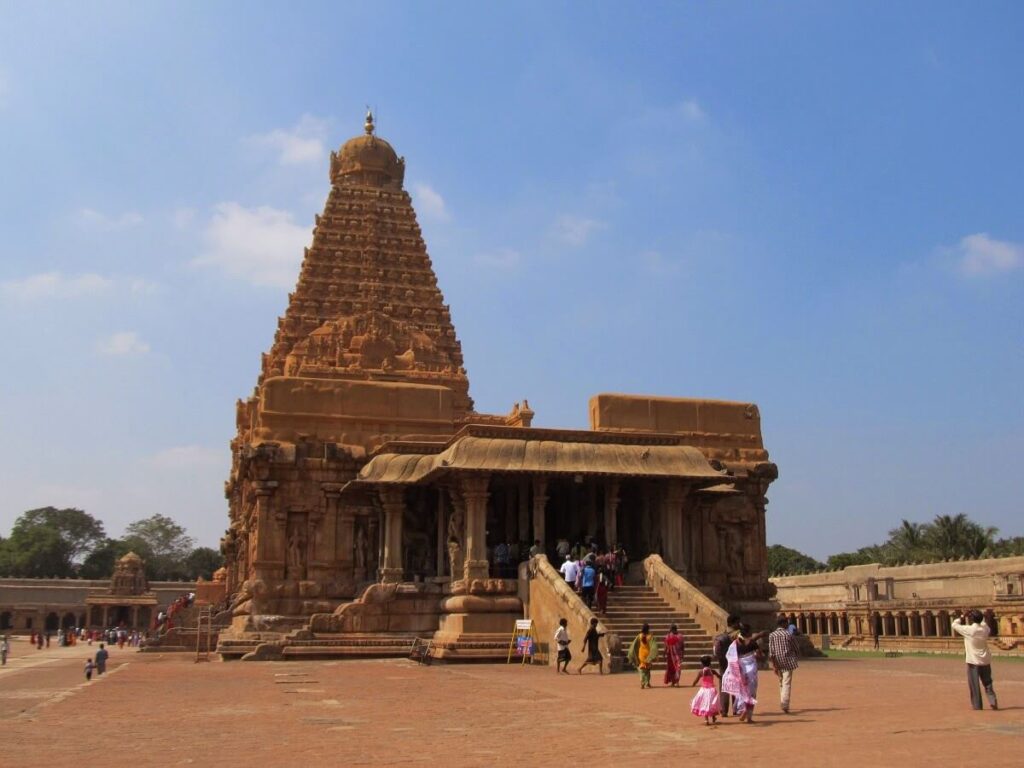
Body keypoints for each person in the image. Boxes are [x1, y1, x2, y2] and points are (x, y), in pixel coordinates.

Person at [951, 609, 998, 711]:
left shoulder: (969, 630)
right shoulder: (985, 629)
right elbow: (983, 622)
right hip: (985, 659)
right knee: (988, 682)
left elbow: (954, 624)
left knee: (974, 684)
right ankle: (992, 700)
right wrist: (977, 614)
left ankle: (977, 705)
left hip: (973, 661)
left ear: (972, 620)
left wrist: (963, 616)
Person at [721, 623, 769, 722]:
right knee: (752, 693)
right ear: (748, 632)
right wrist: (759, 656)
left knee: (743, 691)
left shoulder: (736, 643)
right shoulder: (752, 643)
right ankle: (749, 716)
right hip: (751, 669)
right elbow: (760, 656)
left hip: (741, 670)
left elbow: (731, 656)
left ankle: (743, 709)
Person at [768, 616, 800, 713]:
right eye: (787, 623)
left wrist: (774, 664)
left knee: (781, 682)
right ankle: (784, 704)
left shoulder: (772, 635)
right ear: (784, 623)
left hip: (777, 660)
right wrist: (797, 655)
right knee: (786, 683)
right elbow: (796, 647)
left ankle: (783, 701)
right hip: (788, 660)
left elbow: (771, 652)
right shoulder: (788, 634)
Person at [713, 615, 741, 716]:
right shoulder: (737, 635)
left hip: (722, 662)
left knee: (723, 685)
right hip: (734, 662)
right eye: (738, 622)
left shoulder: (721, 635)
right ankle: (736, 708)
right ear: (734, 623)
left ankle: (723, 710)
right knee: (735, 685)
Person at [690, 655, 722, 725]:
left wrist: (693, 684)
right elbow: (719, 676)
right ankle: (713, 717)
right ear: (710, 663)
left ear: (702, 664)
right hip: (711, 690)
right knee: (712, 703)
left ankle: (706, 719)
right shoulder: (712, 671)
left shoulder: (701, 672)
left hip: (704, 690)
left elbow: (696, 680)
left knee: (705, 704)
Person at [628, 623, 659, 689]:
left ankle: (642, 683)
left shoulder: (639, 636)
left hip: (641, 654)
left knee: (642, 670)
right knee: (647, 669)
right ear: (648, 629)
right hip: (648, 654)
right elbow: (654, 647)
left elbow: (634, 646)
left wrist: (631, 653)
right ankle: (647, 683)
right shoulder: (650, 637)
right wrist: (654, 655)